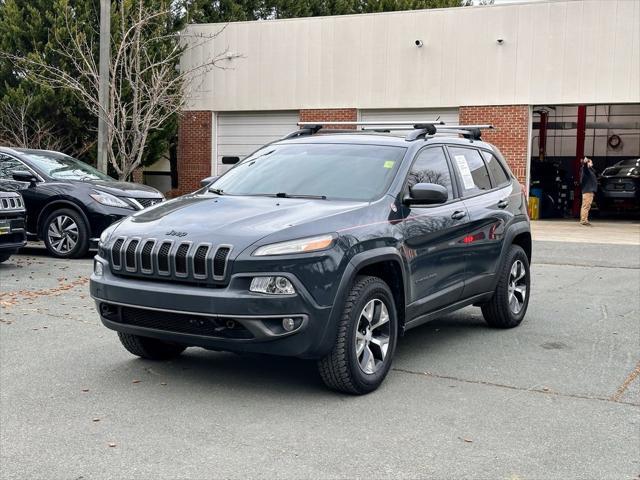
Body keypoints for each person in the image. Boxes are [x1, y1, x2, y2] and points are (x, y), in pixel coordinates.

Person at [579, 157, 597, 225]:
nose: (592, 164)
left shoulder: (590, 171)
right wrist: (585, 162)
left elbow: (594, 171)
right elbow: (585, 168)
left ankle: (584, 219)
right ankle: (583, 220)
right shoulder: (586, 170)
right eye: (591, 162)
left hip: (589, 191)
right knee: (586, 206)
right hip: (587, 191)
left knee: (586, 206)